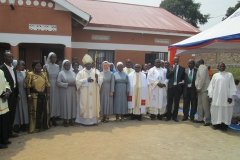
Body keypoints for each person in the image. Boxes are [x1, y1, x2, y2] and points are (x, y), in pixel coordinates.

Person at [208, 62, 237, 131]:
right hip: (216, 98)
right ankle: (216, 124)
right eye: (220, 66)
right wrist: (210, 96)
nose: (222, 67)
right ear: (218, 67)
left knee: (225, 111)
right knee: (216, 110)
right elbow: (211, 86)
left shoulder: (229, 75)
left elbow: (232, 86)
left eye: (223, 66)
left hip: (226, 98)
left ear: (225, 67)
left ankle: (224, 125)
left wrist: (230, 96)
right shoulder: (215, 75)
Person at [75, 54, 102, 125]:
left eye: (89, 64)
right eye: (87, 64)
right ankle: (83, 121)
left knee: (94, 105)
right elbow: (77, 82)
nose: (88, 65)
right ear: (84, 64)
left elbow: (101, 80)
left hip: (93, 93)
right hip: (84, 93)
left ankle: (94, 121)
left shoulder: (96, 71)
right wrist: (86, 80)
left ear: (92, 64)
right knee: (84, 105)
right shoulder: (81, 73)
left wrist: (97, 79)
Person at [25, 61, 50, 133]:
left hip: (43, 95)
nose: (39, 67)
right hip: (34, 96)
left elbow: (48, 85)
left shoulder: (44, 74)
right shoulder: (30, 74)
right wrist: (29, 95)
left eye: (40, 66)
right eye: (37, 66)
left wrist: (48, 94)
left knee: (45, 111)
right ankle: (34, 128)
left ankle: (44, 126)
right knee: (35, 112)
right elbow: (27, 86)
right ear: (33, 67)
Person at [0, 51, 19, 138]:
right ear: (4, 58)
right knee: (6, 115)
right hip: (6, 95)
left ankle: (10, 132)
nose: (10, 58)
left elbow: (15, 82)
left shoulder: (13, 68)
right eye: (8, 57)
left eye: (12, 57)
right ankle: (6, 134)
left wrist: (17, 93)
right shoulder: (2, 68)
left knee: (12, 114)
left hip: (14, 93)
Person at [57, 60, 77, 127]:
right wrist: (67, 84)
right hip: (64, 92)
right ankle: (65, 120)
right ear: (63, 65)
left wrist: (75, 84)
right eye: (66, 65)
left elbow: (76, 81)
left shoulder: (73, 73)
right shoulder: (61, 73)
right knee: (65, 105)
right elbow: (58, 83)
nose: (67, 66)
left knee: (72, 105)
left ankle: (71, 120)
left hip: (72, 92)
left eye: (68, 65)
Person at [166, 56, 185, 122]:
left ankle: (175, 117)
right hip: (171, 87)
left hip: (177, 88)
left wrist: (182, 82)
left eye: (177, 60)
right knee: (169, 103)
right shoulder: (170, 67)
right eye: (175, 60)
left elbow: (183, 78)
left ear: (178, 61)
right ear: (173, 61)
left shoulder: (182, 68)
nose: (176, 61)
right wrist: (173, 70)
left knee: (176, 103)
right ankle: (168, 117)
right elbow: (167, 76)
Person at [43, 52, 60, 126]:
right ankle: (48, 119)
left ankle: (54, 118)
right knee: (49, 102)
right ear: (50, 58)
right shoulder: (45, 66)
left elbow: (58, 76)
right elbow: (44, 77)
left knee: (55, 102)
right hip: (48, 85)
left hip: (56, 86)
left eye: (55, 57)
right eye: (53, 57)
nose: (54, 59)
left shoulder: (57, 66)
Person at [14, 60, 29, 132]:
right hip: (18, 94)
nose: (24, 66)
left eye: (24, 65)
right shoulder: (14, 74)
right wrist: (17, 94)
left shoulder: (23, 73)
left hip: (24, 93)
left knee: (24, 109)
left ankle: (24, 124)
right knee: (18, 109)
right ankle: (18, 125)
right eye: (22, 65)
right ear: (17, 66)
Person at [195, 59, 211, 126]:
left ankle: (207, 120)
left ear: (200, 62)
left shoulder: (202, 67)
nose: (195, 63)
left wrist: (198, 88)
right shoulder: (201, 67)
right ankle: (200, 119)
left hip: (203, 89)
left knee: (205, 105)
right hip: (201, 90)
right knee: (200, 105)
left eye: (196, 62)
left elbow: (202, 79)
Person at [0, 70, 11, 149]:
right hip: (1, 97)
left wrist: (7, 90)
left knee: (4, 121)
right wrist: (2, 94)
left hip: (4, 101)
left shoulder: (1, 71)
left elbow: (5, 81)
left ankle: (4, 139)